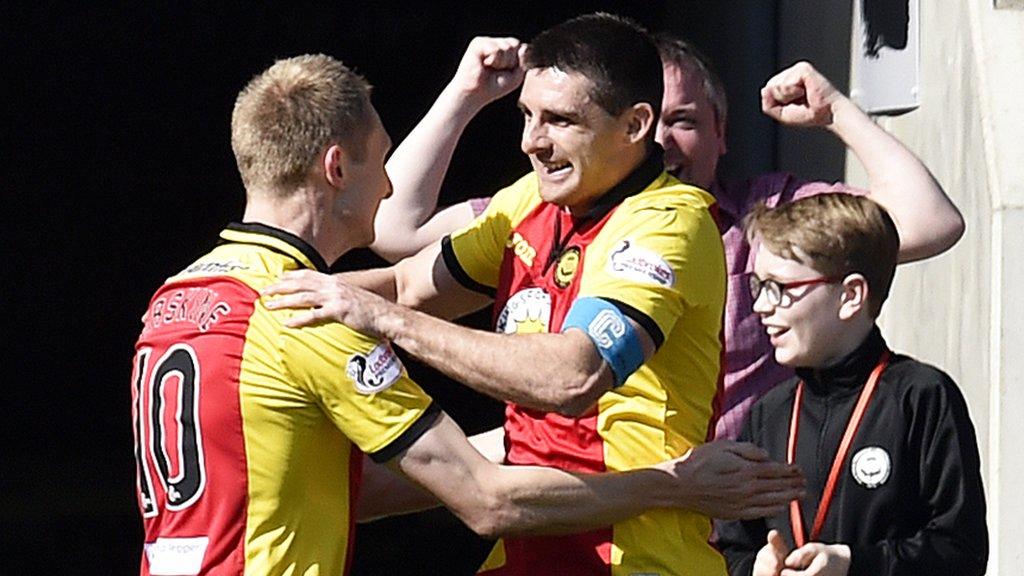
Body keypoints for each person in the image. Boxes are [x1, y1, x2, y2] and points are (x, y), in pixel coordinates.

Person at [130, 52, 801, 576]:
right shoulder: (316, 316)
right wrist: (671, 486)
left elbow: (334, 486)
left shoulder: (177, 297)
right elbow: (488, 499)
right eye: (381, 161)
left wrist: (513, 446)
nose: (391, 184)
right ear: (336, 168)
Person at [366, 32, 966, 442]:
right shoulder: (545, 210)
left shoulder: (768, 218)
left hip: (731, 524)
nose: (659, 144)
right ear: (623, 126)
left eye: (683, 121)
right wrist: (465, 94)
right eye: (648, 123)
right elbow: (396, 229)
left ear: (722, 133)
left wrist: (836, 110)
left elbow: (929, 222)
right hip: (585, 500)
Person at [714, 193, 987, 576]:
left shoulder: (920, 397)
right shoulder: (769, 413)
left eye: (780, 288)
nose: (761, 306)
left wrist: (852, 564)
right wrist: (752, 568)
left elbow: (961, 550)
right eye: (758, 286)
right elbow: (730, 546)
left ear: (851, 295)